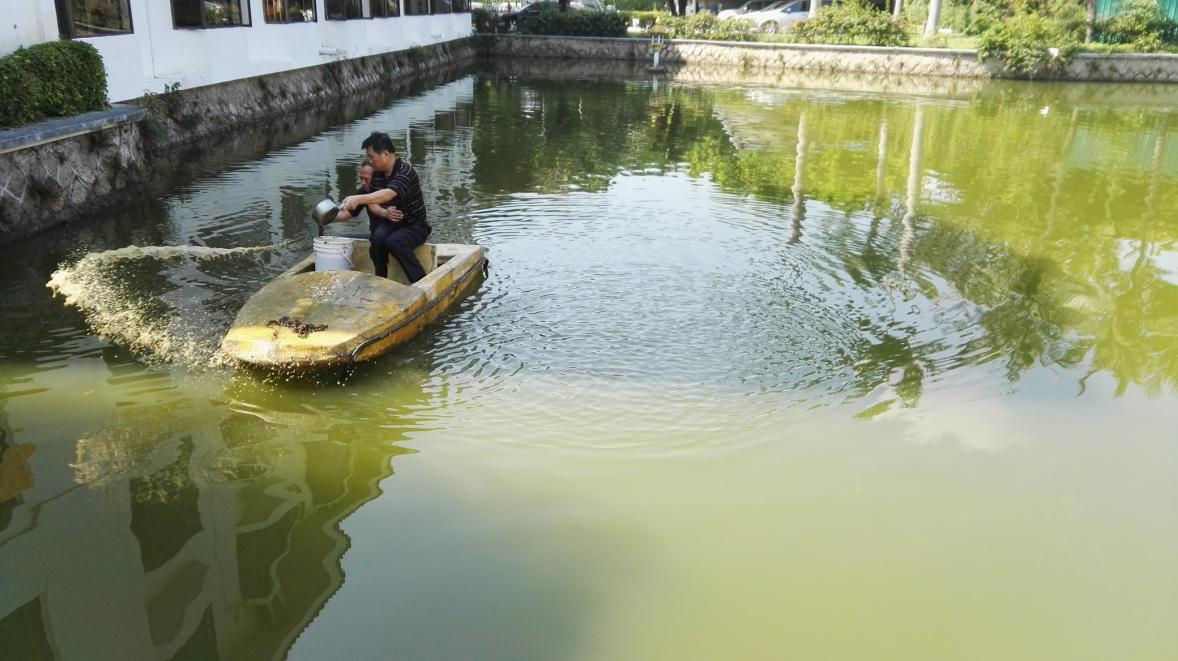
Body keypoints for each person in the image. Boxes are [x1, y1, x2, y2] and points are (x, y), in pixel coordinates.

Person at [337, 133, 431, 282]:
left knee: (395, 241)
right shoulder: (377, 174)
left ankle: (420, 280)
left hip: (415, 225)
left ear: (385, 154)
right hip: (391, 224)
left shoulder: (405, 172)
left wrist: (358, 199)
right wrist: (383, 212)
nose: (370, 161)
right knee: (378, 237)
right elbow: (373, 201)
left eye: (372, 156)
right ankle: (381, 279)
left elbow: (387, 195)